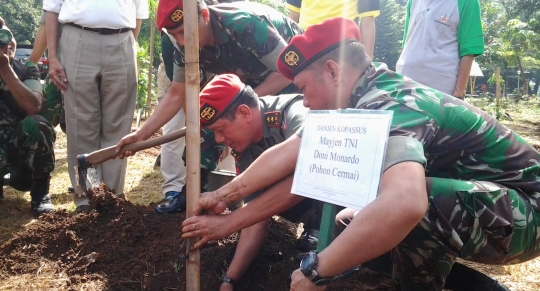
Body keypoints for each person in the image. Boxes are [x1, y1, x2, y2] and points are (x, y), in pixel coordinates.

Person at [182, 17, 538, 291]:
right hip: (485, 205)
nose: (303, 100)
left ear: (333, 71)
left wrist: (315, 271)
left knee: (410, 206)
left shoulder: (388, 103)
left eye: (304, 88)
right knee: (349, 225)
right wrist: (221, 195)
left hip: (527, 212)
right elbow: (291, 151)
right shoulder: (357, 102)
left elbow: (407, 204)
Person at [123, 0, 304, 215]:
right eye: (175, 35)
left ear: (205, 16)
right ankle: (193, 191)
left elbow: (287, 69)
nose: (181, 41)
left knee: (289, 139)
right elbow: (176, 93)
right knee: (212, 121)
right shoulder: (182, 43)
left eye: (183, 32)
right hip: (248, 80)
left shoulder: (244, 24)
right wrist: (141, 135)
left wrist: (243, 102)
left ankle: (312, 219)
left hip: (291, 74)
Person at [199, 73, 317, 290]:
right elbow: (256, 215)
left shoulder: (294, 112)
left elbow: (309, 176)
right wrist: (229, 280)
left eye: (220, 129)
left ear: (244, 112)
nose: (218, 140)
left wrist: (227, 213)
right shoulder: (245, 151)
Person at [43, 0, 149, 212]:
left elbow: (138, 12)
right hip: (78, 37)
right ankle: (86, 198)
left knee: (118, 125)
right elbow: (52, 9)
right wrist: (52, 56)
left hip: (122, 38)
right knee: (81, 124)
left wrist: (126, 45)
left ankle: (112, 196)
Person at [0, 17, 56, 217]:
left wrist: (5, 69)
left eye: (8, 37)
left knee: (38, 124)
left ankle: (40, 193)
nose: (6, 44)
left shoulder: (26, 70)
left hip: (17, 150)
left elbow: (33, 106)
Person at [395, 0, 484, 98]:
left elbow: (468, 51)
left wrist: (458, 94)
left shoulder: (467, 2)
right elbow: (408, 41)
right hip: (405, 82)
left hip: (441, 90)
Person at [153, 32, 187, 213]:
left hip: (216, 70)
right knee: (174, 128)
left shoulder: (224, 25)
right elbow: (178, 92)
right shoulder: (171, 39)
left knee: (222, 128)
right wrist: (141, 134)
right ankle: (174, 190)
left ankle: (219, 187)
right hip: (175, 77)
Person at [286, 0, 379, 58]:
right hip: (304, 45)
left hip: (342, 47)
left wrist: (367, 65)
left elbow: (367, 23)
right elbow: (293, 18)